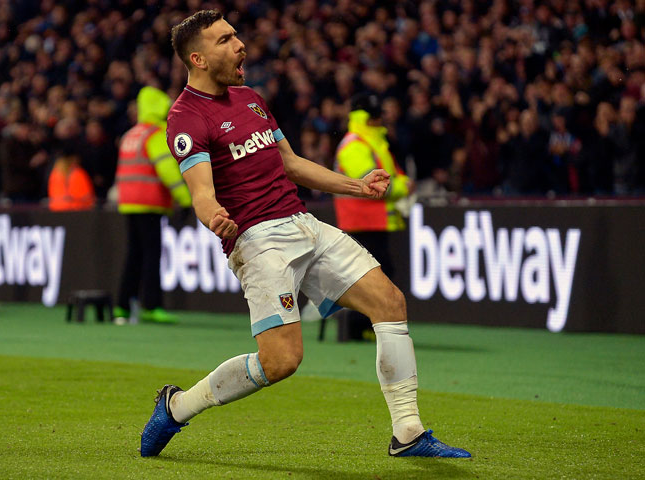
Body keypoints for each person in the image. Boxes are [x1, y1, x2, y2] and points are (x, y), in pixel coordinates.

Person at [140, 10, 470, 459]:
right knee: (281, 362)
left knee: (389, 303)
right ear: (197, 58)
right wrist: (214, 215)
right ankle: (177, 407)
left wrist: (357, 186)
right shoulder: (185, 116)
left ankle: (408, 433)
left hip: (302, 223)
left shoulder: (250, 98)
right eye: (225, 40)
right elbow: (200, 191)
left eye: (236, 34)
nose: (240, 44)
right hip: (258, 241)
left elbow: (291, 164)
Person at [333, 93, 413, 341]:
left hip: (373, 221)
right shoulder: (356, 144)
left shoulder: (372, 143)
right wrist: (403, 187)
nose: (382, 122)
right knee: (371, 277)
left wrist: (399, 183)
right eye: (379, 117)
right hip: (362, 221)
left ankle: (364, 326)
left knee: (376, 273)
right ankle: (358, 327)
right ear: (369, 119)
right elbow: (376, 185)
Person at [113, 86, 192, 324]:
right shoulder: (156, 134)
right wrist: (186, 199)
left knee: (133, 255)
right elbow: (167, 169)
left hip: (129, 202)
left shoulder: (130, 135)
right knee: (151, 255)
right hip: (150, 203)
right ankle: (151, 305)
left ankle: (122, 306)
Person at [47, 143, 96, 211]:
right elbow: (88, 198)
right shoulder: (78, 173)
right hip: (77, 212)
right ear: (74, 158)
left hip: (57, 212)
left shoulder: (54, 174)